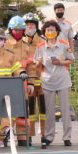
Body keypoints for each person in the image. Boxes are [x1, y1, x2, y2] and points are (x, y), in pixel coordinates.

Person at [34, 20, 75, 147]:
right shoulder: (40, 47)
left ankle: (67, 137)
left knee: (65, 109)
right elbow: (36, 65)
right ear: (44, 32)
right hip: (47, 81)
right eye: (48, 30)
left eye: (52, 30)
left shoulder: (64, 44)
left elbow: (71, 60)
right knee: (49, 111)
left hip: (62, 80)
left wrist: (60, 62)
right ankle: (49, 136)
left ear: (57, 31)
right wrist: (39, 62)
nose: (50, 32)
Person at [5, 16, 36, 145]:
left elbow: (31, 66)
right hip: (7, 83)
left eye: (20, 30)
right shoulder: (4, 44)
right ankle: (5, 134)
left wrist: (31, 83)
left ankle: (23, 137)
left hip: (22, 84)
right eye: (15, 30)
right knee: (7, 111)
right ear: (10, 30)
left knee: (23, 110)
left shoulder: (27, 47)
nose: (18, 33)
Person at [20, 12, 46, 142]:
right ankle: (28, 135)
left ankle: (45, 135)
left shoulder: (43, 42)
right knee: (29, 110)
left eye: (32, 24)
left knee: (44, 111)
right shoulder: (21, 43)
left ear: (36, 26)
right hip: (28, 82)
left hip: (43, 82)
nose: (30, 27)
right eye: (27, 25)